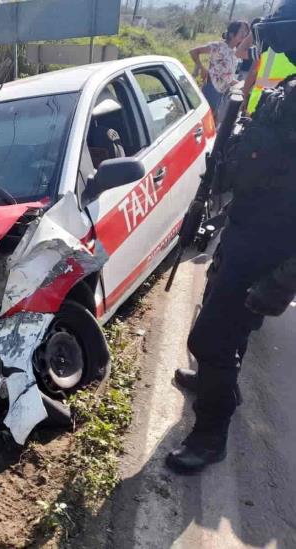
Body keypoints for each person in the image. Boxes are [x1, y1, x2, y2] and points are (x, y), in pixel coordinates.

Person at [166, 0, 296, 475]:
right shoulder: (288, 90)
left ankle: (210, 436)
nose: (272, 43)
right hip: (246, 228)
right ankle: (220, 384)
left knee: (212, 339)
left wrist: (284, 282)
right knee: (223, 327)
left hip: (271, 248)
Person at [190, 21, 251, 122]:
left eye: (246, 31)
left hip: (222, 93)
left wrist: (245, 86)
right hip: (211, 89)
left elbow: (227, 77)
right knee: (203, 121)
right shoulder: (218, 47)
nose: (245, 34)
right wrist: (202, 68)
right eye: (242, 30)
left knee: (213, 121)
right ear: (232, 33)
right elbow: (193, 52)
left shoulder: (235, 52)